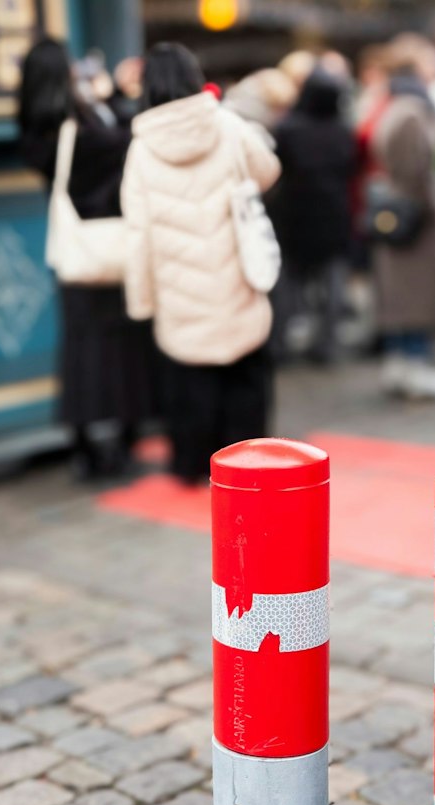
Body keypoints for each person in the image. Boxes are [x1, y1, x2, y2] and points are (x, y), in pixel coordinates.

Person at [120, 43, 281, 485]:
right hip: (236, 272)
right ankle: (252, 464)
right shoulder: (227, 124)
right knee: (245, 374)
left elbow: (137, 233)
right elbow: (267, 170)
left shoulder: (141, 148)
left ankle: (192, 464)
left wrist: (141, 300)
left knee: (190, 381)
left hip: (179, 285)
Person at [16, 39, 155, 480]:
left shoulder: (36, 127)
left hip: (76, 252)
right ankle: (115, 444)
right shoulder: (79, 125)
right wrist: (119, 94)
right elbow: (124, 141)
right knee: (117, 351)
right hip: (107, 247)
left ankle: (85, 444)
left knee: (80, 354)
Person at [371, 35, 435, 399]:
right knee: (416, 296)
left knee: (403, 294)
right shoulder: (412, 110)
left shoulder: (393, 106)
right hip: (415, 218)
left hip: (400, 215)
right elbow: (418, 168)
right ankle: (416, 365)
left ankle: (403, 363)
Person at [269, 70, 357, 365]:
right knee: (332, 286)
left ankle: (280, 344)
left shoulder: (288, 129)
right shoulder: (343, 130)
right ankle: (327, 345)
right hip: (333, 215)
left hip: (293, 216)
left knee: (287, 286)